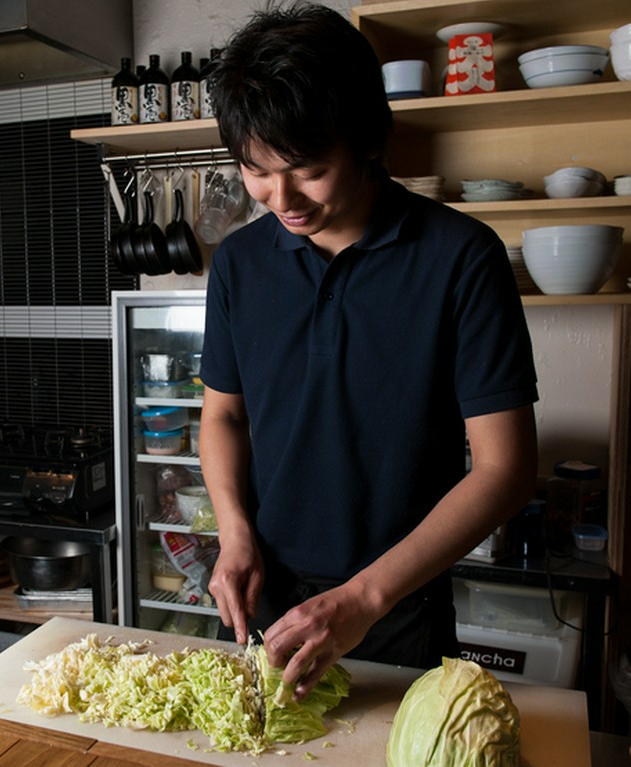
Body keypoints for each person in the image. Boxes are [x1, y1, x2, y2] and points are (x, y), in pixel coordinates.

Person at [198, 1, 539, 700]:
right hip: (270, 600)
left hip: (397, 609)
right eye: (255, 169)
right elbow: (223, 417)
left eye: (307, 169)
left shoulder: (461, 257)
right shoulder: (238, 264)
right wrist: (234, 533)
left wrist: (363, 598)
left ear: (367, 141)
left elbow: (506, 467)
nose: (280, 197)